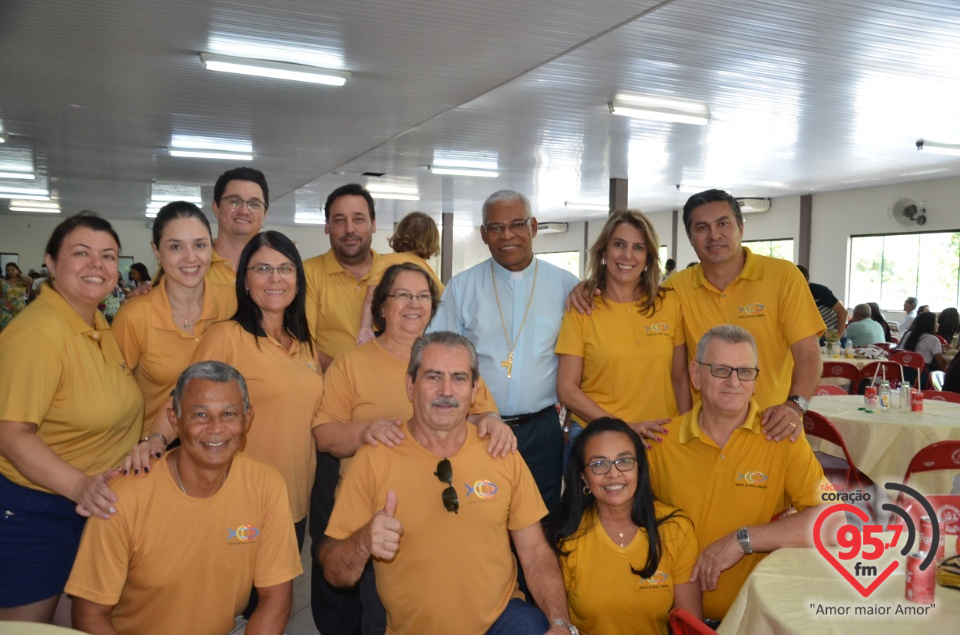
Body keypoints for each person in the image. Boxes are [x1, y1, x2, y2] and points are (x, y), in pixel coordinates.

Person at [321, 332, 576, 635]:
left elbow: (535, 552)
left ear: (474, 390)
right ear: (409, 386)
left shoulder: (500, 452)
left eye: (458, 378)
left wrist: (560, 623)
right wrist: (363, 541)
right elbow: (335, 572)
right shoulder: (374, 459)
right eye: (433, 377)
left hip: (502, 620)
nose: (446, 391)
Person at [313, 262, 512, 632]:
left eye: (422, 296)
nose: (413, 304)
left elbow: (484, 413)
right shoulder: (351, 364)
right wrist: (366, 432)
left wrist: (492, 423)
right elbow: (324, 435)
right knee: (381, 614)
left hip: (448, 513)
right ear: (382, 306)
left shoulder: (449, 357)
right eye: (402, 295)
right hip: (379, 516)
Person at [65, 361, 302, 635]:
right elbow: (89, 614)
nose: (216, 428)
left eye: (229, 414)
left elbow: (276, 599)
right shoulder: (123, 497)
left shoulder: (266, 484)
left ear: (247, 419)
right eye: (200, 415)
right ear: (175, 420)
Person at [572, 190, 823, 442]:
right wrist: (589, 287)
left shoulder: (784, 277)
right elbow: (629, 291)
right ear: (691, 238)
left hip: (769, 431)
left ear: (741, 228)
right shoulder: (675, 289)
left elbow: (809, 355)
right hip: (705, 436)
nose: (714, 235)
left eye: (723, 224)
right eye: (702, 227)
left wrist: (795, 405)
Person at [0, 212, 143, 623]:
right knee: (27, 628)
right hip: (37, 512)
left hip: (85, 507)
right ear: (50, 261)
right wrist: (80, 485)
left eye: (108, 256)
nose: (96, 265)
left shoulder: (96, 323)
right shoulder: (39, 335)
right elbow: (11, 435)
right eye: (81, 253)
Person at [647, 325, 832, 622]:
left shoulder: (781, 438)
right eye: (721, 369)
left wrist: (743, 540)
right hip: (671, 620)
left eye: (745, 371)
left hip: (754, 619)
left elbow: (832, 520)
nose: (733, 382)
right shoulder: (660, 443)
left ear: (755, 380)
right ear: (696, 375)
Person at [430, 189, 579, 514]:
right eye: (496, 227)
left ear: (534, 227)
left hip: (542, 430)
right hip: (476, 427)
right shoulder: (462, 287)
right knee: (481, 518)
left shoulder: (566, 286)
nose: (507, 235)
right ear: (484, 234)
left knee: (541, 521)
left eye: (516, 224)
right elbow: (437, 356)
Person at [181, 231, 321, 549]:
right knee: (236, 598)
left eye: (285, 268)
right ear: (245, 281)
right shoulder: (226, 337)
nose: (275, 278)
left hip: (294, 502)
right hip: (240, 500)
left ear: (297, 280)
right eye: (261, 268)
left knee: (277, 596)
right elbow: (185, 405)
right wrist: (154, 442)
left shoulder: (304, 344)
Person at [302, 183, 381, 634]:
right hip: (333, 429)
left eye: (358, 219)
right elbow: (305, 348)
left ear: (373, 224)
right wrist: (355, 366)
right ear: (327, 226)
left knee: (384, 536)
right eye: (339, 220)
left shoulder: (400, 269)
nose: (349, 229)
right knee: (332, 536)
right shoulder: (309, 273)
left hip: (394, 429)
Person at [556, 209, 690, 459]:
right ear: (604, 252)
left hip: (660, 439)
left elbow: (680, 378)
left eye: (638, 247)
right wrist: (622, 427)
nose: (628, 255)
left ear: (648, 256)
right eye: (619, 244)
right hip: (599, 440)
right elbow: (567, 389)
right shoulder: (582, 307)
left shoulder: (669, 303)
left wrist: (685, 433)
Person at [550, 418, 701, 635]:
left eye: (624, 461)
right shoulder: (567, 536)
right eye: (599, 464)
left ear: (639, 468)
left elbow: (689, 626)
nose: (613, 473)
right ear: (584, 478)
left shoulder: (675, 529)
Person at [113, 202, 236, 439]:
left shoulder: (234, 303)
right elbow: (113, 400)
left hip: (219, 443)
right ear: (157, 252)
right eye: (175, 246)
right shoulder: (134, 317)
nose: (190, 258)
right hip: (152, 447)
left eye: (199, 245)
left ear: (212, 249)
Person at [357, 211, 443, 344]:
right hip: (420, 336)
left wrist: (365, 329)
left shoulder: (385, 261)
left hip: (386, 333)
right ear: (431, 242)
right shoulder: (429, 272)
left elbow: (370, 298)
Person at [208, 167, 271, 285]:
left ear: (265, 214)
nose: (244, 211)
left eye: (254, 204)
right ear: (216, 208)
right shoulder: (192, 266)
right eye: (234, 202)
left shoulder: (276, 271)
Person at [797, 265, 847, 341]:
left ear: (806, 279)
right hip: (821, 338)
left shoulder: (819, 291)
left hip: (837, 336)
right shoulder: (797, 296)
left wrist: (838, 337)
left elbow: (843, 312)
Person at [898, 311, 947, 382]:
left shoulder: (908, 334)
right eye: (936, 322)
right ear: (930, 324)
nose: (938, 325)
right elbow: (942, 365)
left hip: (902, 374)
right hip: (921, 376)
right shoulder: (933, 339)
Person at [1, 262, 31, 329]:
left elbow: (30, 281)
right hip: (5, 308)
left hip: (19, 307)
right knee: (6, 328)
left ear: (17, 270)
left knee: (19, 328)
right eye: (8, 270)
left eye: (12, 269)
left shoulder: (22, 281)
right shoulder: (3, 281)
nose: (10, 272)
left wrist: (20, 275)